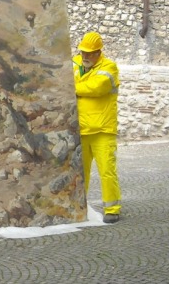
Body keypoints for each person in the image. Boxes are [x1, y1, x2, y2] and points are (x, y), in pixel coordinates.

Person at [73, 31, 122, 224]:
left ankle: (112, 209)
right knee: (80, 172)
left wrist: (73, 87)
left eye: (89, 53)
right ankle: (79, 208)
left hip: (102, 130)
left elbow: (95, 88)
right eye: (83, 52)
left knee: (107, 171)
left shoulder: (109, 68)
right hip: (81, 129)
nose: (85, 56)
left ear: (98, 52)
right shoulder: (75, 62)